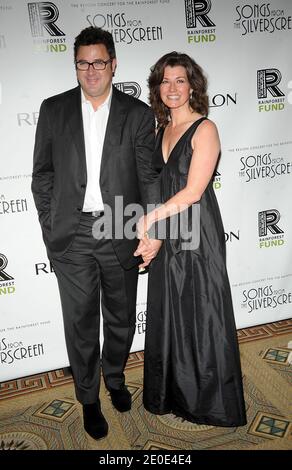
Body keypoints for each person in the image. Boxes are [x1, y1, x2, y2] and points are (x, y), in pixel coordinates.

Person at [31, 26, 161, 440]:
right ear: (76, 66)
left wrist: (150, 228)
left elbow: (149, 178)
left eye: (99, 62)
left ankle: (116, 379)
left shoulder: (138, 114)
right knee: (81, 320)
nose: (91, 70)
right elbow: (43, 176)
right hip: (72, 234)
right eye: (83, 63)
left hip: (120, 226)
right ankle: (88, 396)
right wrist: (51, 224)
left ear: (113, 64)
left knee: (121, 316)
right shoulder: (53, 110)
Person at [136, 52, 247, 427]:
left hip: (198, 233)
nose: (172, 88)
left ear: (192, 86)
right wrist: (153, 236)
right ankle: (173, 395)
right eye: (165, 81)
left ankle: (212, 403)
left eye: (180, 80)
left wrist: (149, 219)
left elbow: (194, 192)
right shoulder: (158, 130)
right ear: (157, 87)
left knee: (204, 312)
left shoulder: (205, 129)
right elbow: (156, 187)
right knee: (171, 311)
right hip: (170, 232)